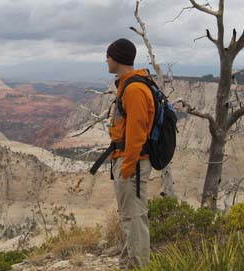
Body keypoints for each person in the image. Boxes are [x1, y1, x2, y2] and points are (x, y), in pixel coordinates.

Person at [106, 38, 154, 269]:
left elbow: (136, 133)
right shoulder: (128, 85)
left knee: (134, 219)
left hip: (131, 162)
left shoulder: (134, 89)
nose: (106, 60)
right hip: (128, 161)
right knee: (129, 219)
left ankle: (137, 267)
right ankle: (128, 265)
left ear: (117, 58)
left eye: (108, 55)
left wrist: (126, 167)